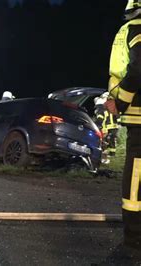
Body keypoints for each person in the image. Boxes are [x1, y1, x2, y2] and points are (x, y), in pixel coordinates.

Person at [105, 0, 141, 250]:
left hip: (139, 116)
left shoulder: (135, 29)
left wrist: (122, 102)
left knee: (135, 177)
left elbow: (138, 69)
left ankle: (134, 236)